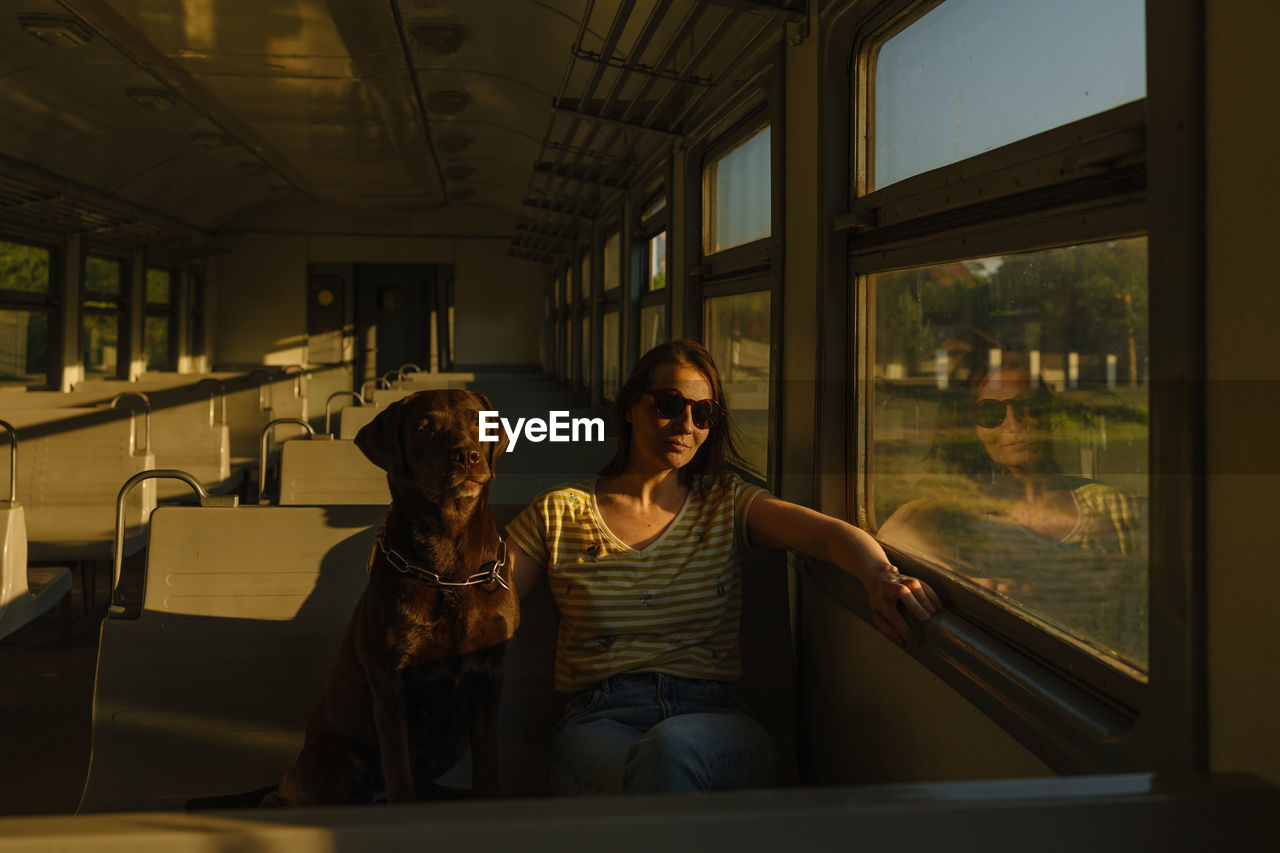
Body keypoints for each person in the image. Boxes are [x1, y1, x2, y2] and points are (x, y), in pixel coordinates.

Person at [503, 339, 940, 796]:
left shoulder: (725, 500)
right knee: (657, 764)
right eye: (669, 403)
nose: (686, 424)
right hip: (601, 717)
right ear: (631, 406)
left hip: (714, 718)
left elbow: (825, 534)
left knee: (671, 750)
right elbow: (493, 597)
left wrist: (879, 574)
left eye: (703, 413)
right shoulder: (559, 511)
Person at [876, 347, 1143, 660]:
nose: (1013, 424)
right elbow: (894, 532)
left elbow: (1133, 612)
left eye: (1028, 406)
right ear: (973, 428)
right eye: (991, 413)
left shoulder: (1108, 504)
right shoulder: (962, 508)